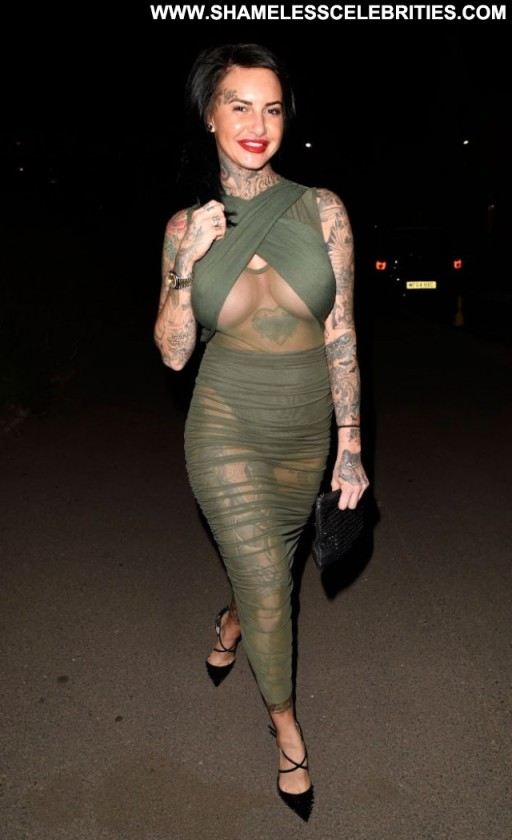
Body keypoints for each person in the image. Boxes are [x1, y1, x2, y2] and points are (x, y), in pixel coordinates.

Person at [154, 43, 369, 821]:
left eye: (272, 107)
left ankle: (232, 618)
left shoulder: (323, 210)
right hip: (224, 425)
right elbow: (174, 352)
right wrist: (188, 265)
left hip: (303, 432)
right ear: (209, 115)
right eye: (239, 104)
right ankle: (287, 731)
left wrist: (351, 446)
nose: (258, 122)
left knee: (268, 572)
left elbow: (341, 333)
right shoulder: (186, 226)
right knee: (276, 592)